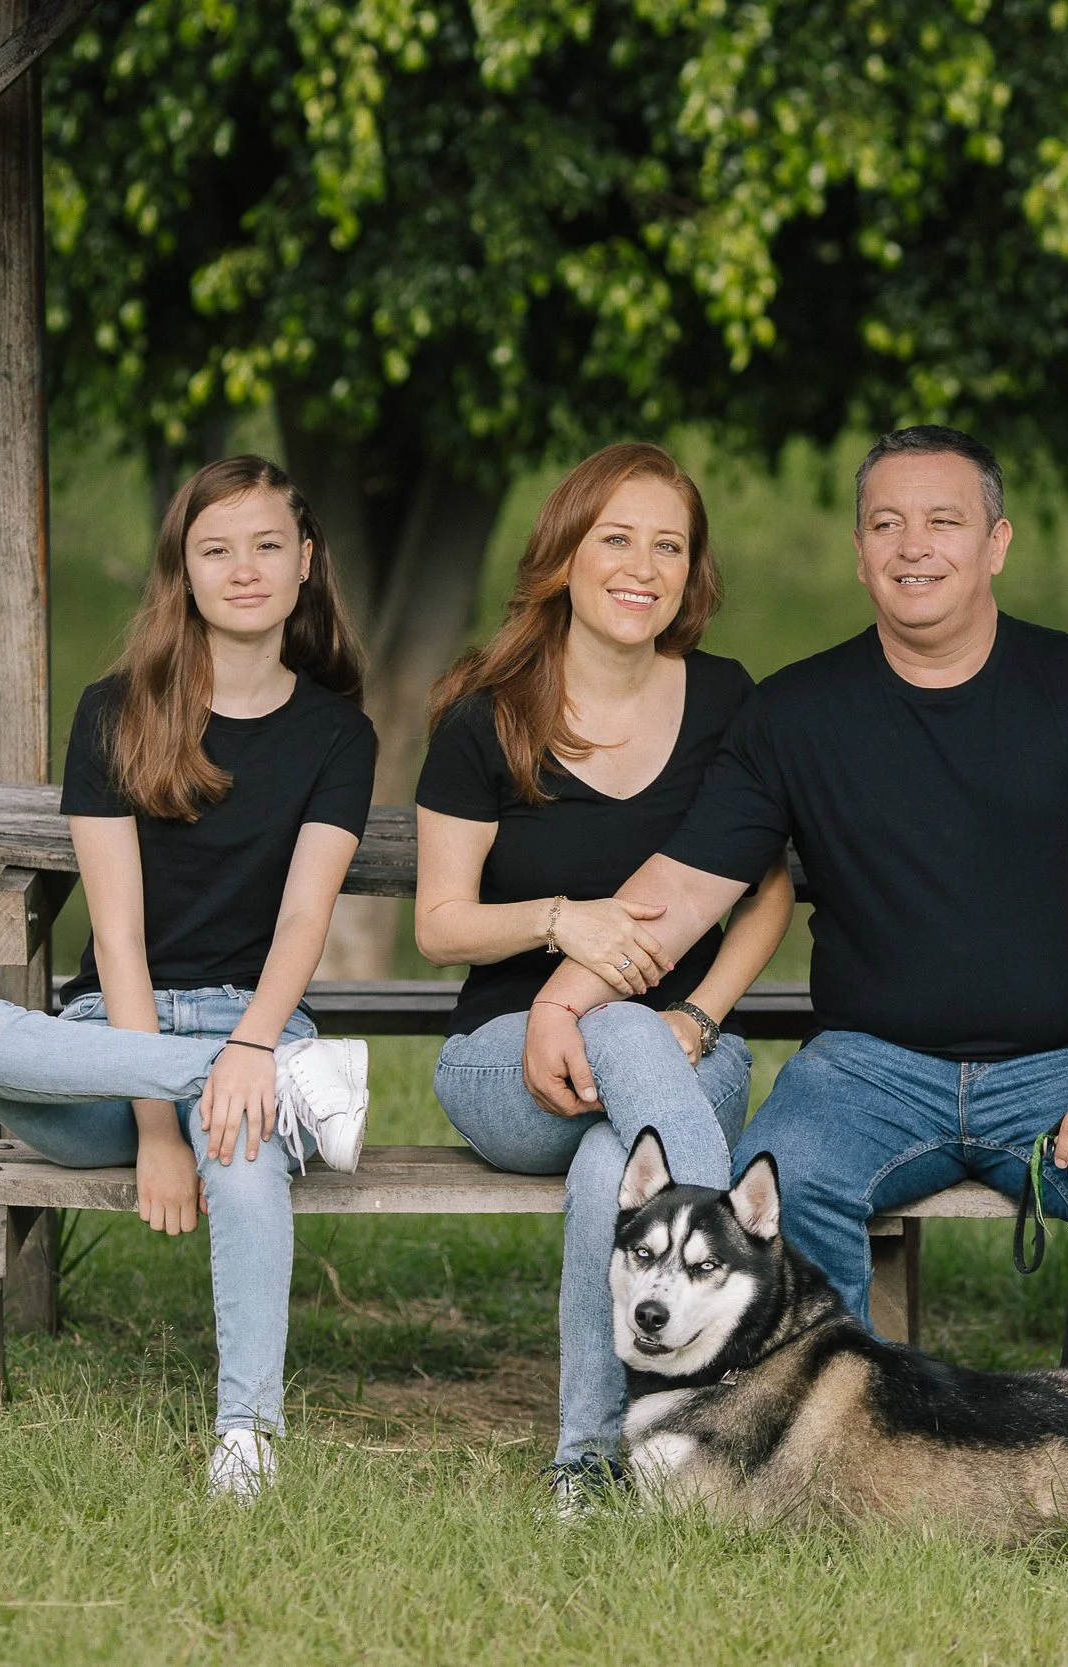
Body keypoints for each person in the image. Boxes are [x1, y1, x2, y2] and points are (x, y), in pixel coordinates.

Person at [522, 426, 1068, 1373]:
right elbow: (680, 888)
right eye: (886, 524)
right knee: (783, 1186)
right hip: (867, 1069)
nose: (912, 545)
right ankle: (841, 1422)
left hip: (1065, 1060)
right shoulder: (796, 711)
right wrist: (561, 999)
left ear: (997, 543)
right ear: (858, 552)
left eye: (943, 522)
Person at [0, 455, 378, 1500]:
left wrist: (251, 1043)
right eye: (216, 549)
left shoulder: (336, 735)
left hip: (251, 1020)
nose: (244, 568)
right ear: (184, 568)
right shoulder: (115, 711)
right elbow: (118, 938)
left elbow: (304, 918)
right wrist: (164, 1120)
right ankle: (243, 1080)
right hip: (114, 1045)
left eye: (267, 545)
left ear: (306, 561)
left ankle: (247, 1435)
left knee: (246, 1151)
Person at [413, 443, 792, 1516]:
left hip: (685, 1048)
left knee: (612, 1167)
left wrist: (698, 1015)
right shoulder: (488, 714)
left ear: (691, 571)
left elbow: (764, 896)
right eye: (616, 538)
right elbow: (438, 925)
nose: (642, 566)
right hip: (509, 1063)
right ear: (564, 554)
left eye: (668, 545)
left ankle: (587, 1458)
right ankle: (738, 1375)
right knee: (613, 1038)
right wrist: (557, 921)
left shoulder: (726, 701)